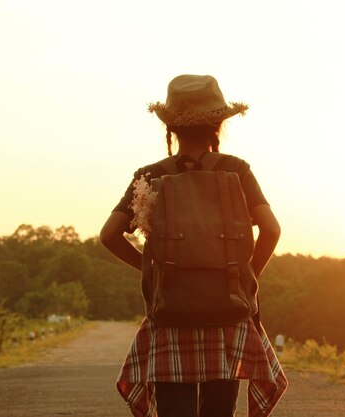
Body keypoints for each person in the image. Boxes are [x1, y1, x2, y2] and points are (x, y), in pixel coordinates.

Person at [100, 74, 287, 417]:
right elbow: (271, 230)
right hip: (228, 311)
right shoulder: (237, 170)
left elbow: (109, 235)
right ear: (218, 124)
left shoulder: (150, 175)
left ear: (170, 128)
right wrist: (246, 275)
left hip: (172, 312)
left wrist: (152, 267)